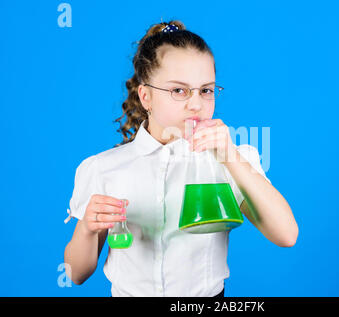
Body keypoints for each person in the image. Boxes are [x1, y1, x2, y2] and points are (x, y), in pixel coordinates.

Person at [64, 20, 298, 297]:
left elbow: (286, 235)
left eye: (206, 90)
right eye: (179, 90)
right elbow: (75, 273)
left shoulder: (230, 163)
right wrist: (88, 230)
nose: (196, 104)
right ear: (146, 96)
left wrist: (230, 156)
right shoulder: (104, 168)